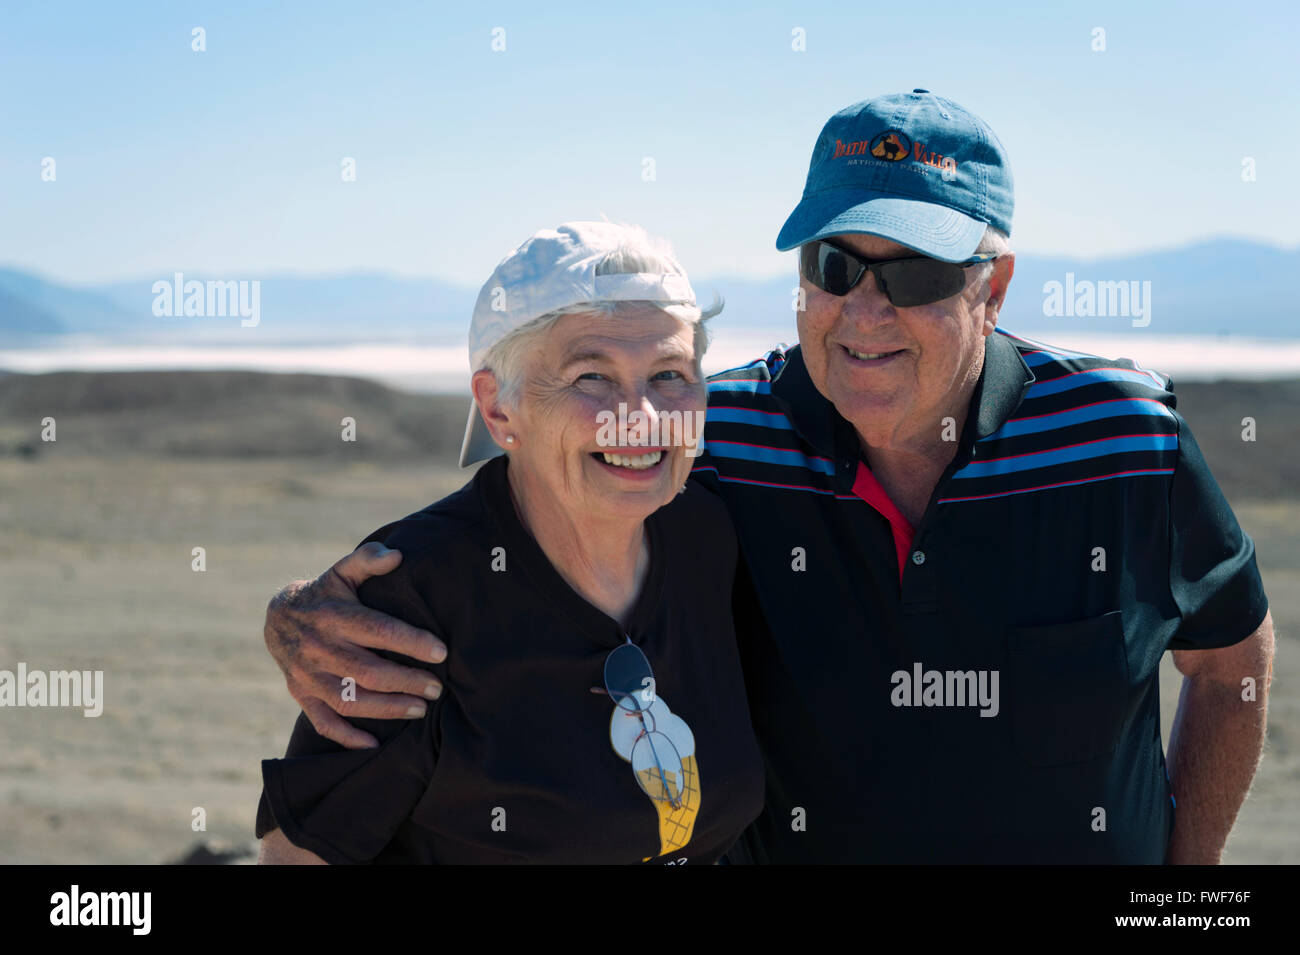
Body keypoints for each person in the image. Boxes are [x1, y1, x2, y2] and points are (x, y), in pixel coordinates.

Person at [262, 92, 1274, 864]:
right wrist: (305, 616)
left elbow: (1230, 660)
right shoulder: (717, 434)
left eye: (915, 275)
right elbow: (530, 489)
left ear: (992, 287)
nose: (865, 310)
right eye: (834, 266)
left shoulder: (1123, 437)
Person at [256, 221, 764, 863]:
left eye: (669, 374)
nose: (640, 416)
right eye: (591, 378)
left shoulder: (706, 539)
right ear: (499, 410)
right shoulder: (417, 600)